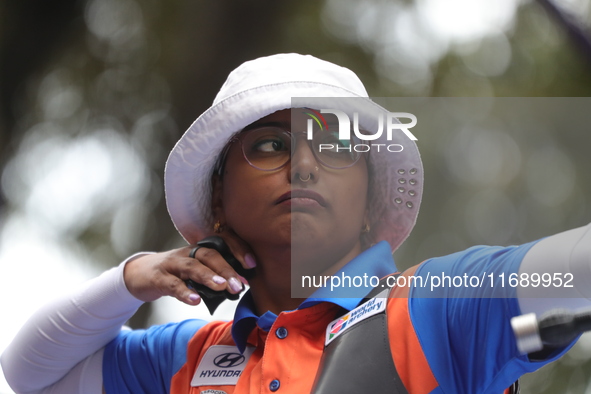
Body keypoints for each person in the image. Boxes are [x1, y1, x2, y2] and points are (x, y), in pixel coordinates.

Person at [2, 53, 591, 394]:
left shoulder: (435, 306)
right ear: (218, 204)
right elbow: (29, 372)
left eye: (334, 147)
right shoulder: (188, 354)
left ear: (369, 204)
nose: (304, 165)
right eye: (268, 145)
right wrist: (134, 277)